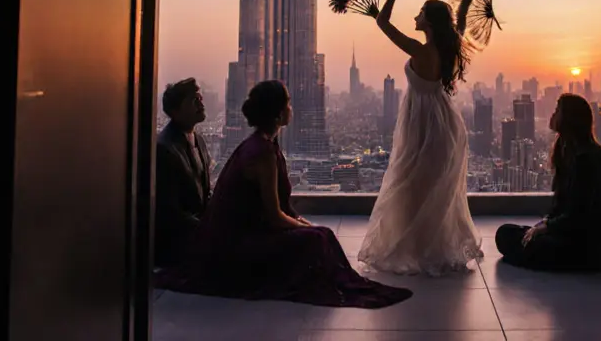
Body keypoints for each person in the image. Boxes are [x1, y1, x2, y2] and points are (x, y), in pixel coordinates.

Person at [154, 80, 412, 308]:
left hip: (241, 232)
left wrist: (302, 224)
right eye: (287, 103)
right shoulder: (261, 153)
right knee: (318, 239)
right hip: (238, 243)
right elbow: (276, 216)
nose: (292, 108)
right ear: (278, 114)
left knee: (320, 235)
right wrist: (303, 226)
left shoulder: (261, 144)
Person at [357, 0, 502, 275]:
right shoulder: (448, 47)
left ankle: (416, 248)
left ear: (430, 21)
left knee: (412, 185)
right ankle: (430, 246)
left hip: (421, 122)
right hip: (442, 121)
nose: (416, 15)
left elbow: (382, 22)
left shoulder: (420, 49)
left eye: (421, 12)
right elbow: (459, 17)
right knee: (431, 186)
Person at [495, 93, 601, 272]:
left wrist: (546, 227)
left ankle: (531, 255)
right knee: (506, 232)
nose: (553, 114)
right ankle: (529, 253)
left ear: (569, 119)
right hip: (571, 235)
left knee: (528, 243)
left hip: (594, 246)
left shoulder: (588, 158)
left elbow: (578, 216)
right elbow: (561, 206)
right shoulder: (566, 150)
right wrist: (543, 225)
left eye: (558, 110)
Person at [154, 78, 212, 268]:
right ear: (175, 111)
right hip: (178, 243)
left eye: (200, 98)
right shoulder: (164, 148)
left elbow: (205, 193)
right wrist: (208, 230)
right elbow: (169, 211)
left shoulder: (200, 141)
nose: (201, 104)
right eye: (194, 100)